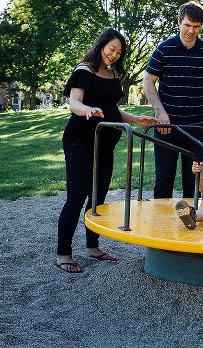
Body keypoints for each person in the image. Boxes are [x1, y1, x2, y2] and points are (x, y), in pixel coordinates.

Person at [56, 28, 158, 274]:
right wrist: (87, 109)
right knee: (77, 196)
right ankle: (63, 253)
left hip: (106, 143)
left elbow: (113, 111)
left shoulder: (113, 76)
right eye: (111, 48)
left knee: (98, 197)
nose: (114, 54)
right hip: (79, 142)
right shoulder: (84, 71)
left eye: (119, 52)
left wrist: (135, 119)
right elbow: (74, 103)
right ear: (101, 45)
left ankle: (92, 247)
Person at [143, 0, 203, 199]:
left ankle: (192, 224)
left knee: (194, 180)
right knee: (163, 180)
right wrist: (160, 112)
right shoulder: (164, 49)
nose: (191, 31)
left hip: (196, 128)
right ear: (179, 22)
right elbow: (148, 81)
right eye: (187, 25)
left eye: (196, 27)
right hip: (166, 127)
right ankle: (160, 228)